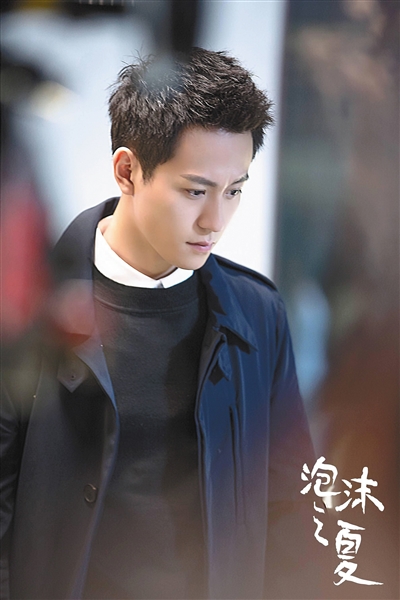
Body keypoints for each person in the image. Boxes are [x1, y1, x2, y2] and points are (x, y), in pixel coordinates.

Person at [1, 48, 321, 600]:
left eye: (235, 190)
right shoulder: (27, 310)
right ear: (127, 171)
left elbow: (290, 510)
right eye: (195, 190)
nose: (215, 220)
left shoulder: (257, 314)